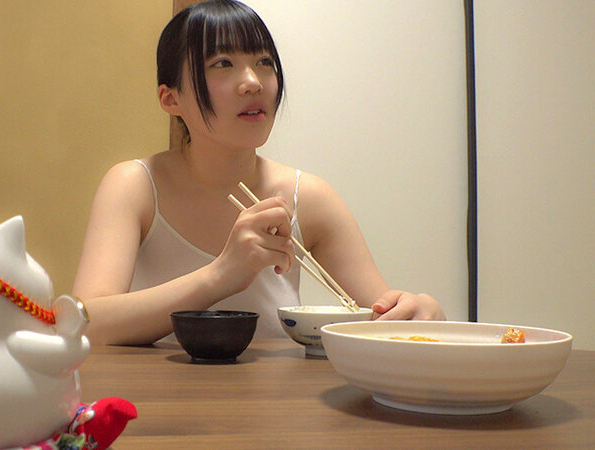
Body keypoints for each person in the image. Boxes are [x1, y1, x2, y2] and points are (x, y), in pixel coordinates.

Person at [72, 0, 445, 346]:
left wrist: (419, 315)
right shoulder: (136, 185)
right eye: (223, 63)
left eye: (264, 61)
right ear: (171, 99)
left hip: (278, 396)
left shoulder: (308, 197)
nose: (253, 81)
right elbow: (84, 323)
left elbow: (383, 321)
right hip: (156, 396)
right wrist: (221, 274)